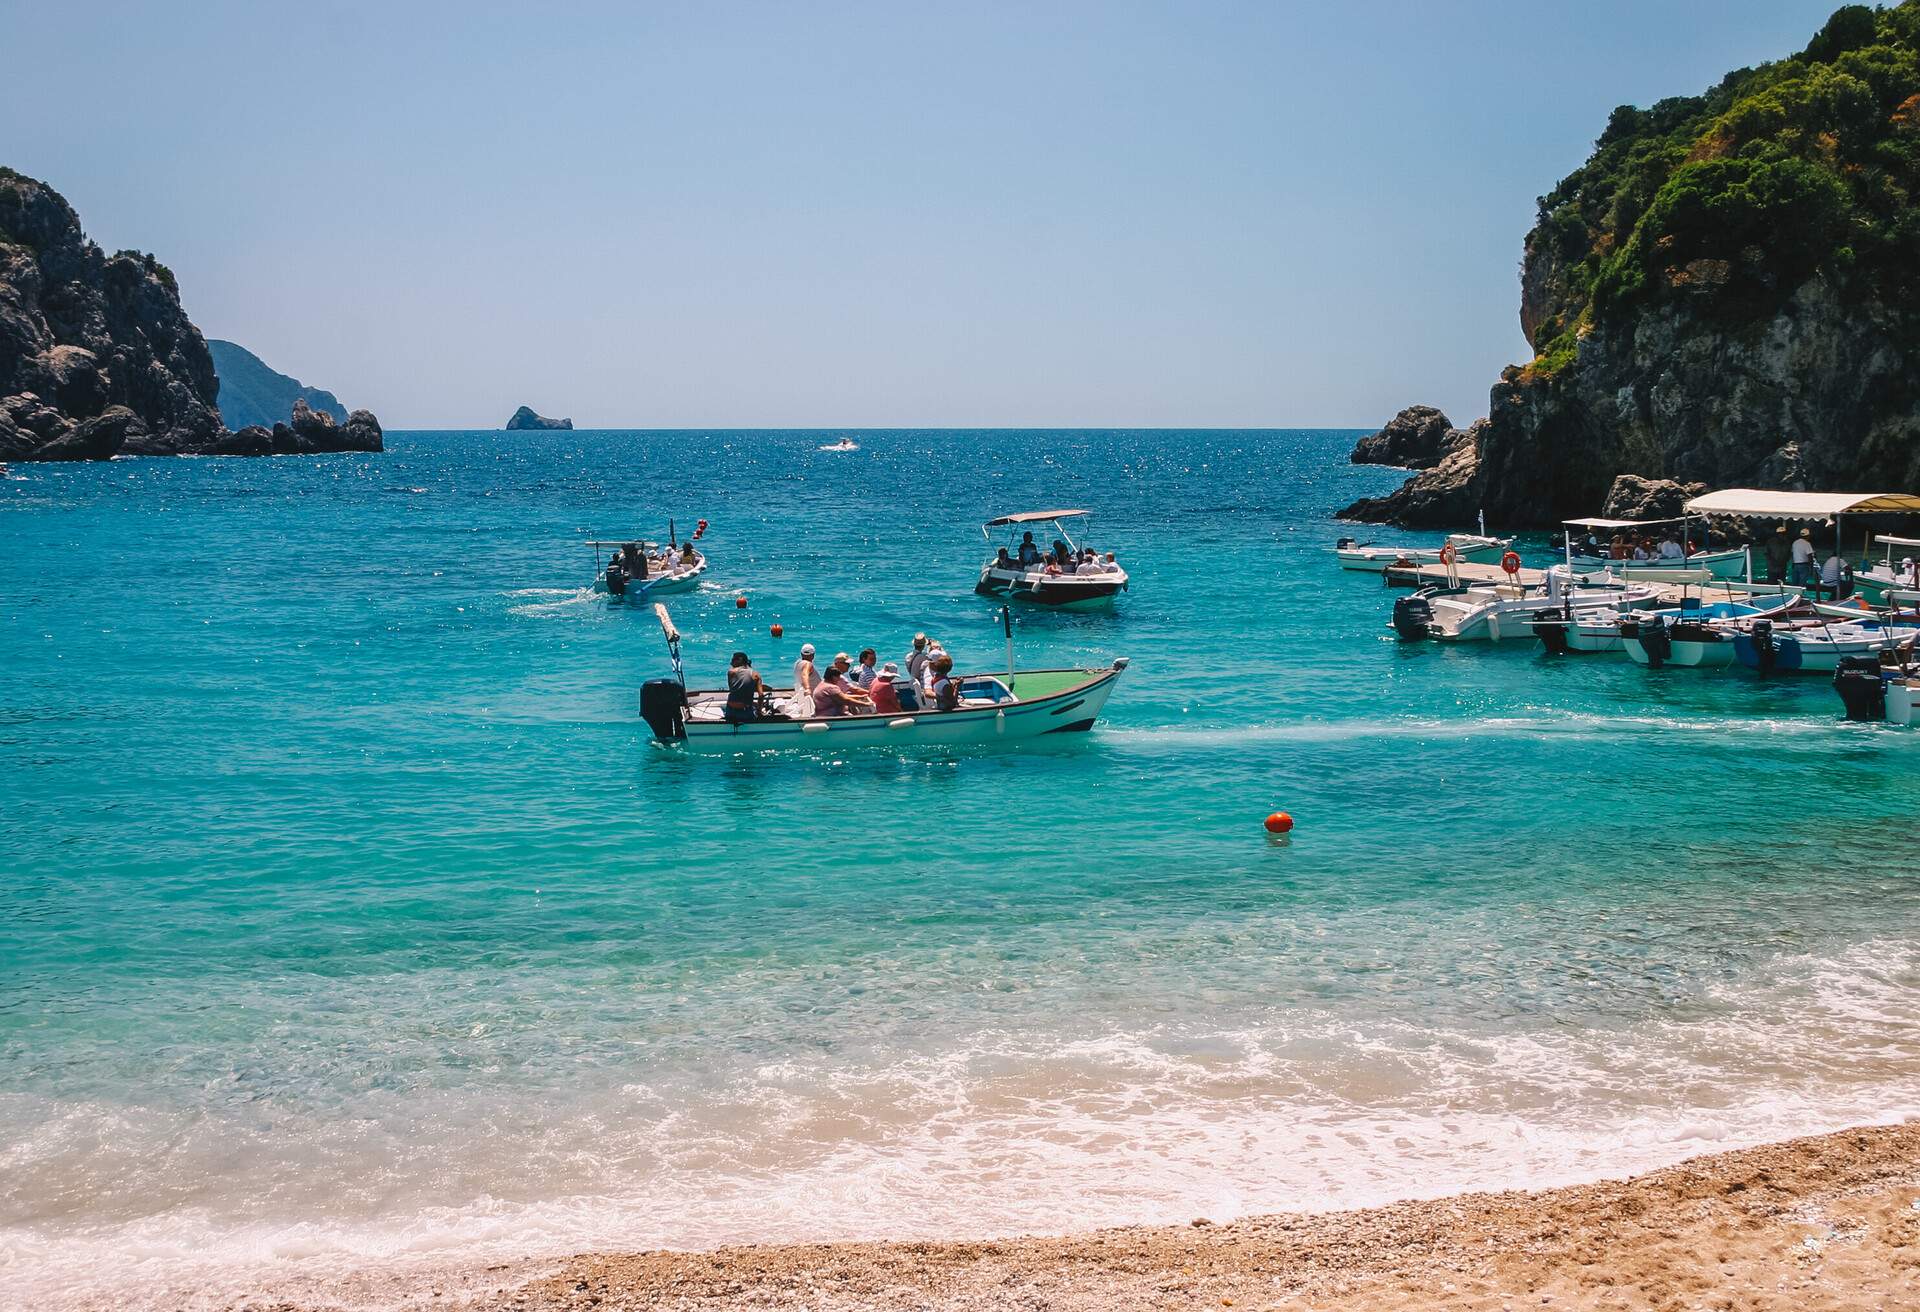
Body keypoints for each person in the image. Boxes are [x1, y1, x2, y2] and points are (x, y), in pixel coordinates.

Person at [723, 652, 762, 724]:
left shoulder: (731, 672)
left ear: (739, 660)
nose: (731, 663)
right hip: (745, 712)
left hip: (730, 710)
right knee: (754, 707)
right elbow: (761, 695)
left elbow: (734, 689)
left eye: (732, 660)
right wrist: (759, 710)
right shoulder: (756, 675)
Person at [792, 643, 819, 715]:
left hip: (805, 696)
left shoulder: (797, 663)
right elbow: (804, 674)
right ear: (813, 655)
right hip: (815, 698)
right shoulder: (808, 664)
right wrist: (807, 688)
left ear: (801, 654)